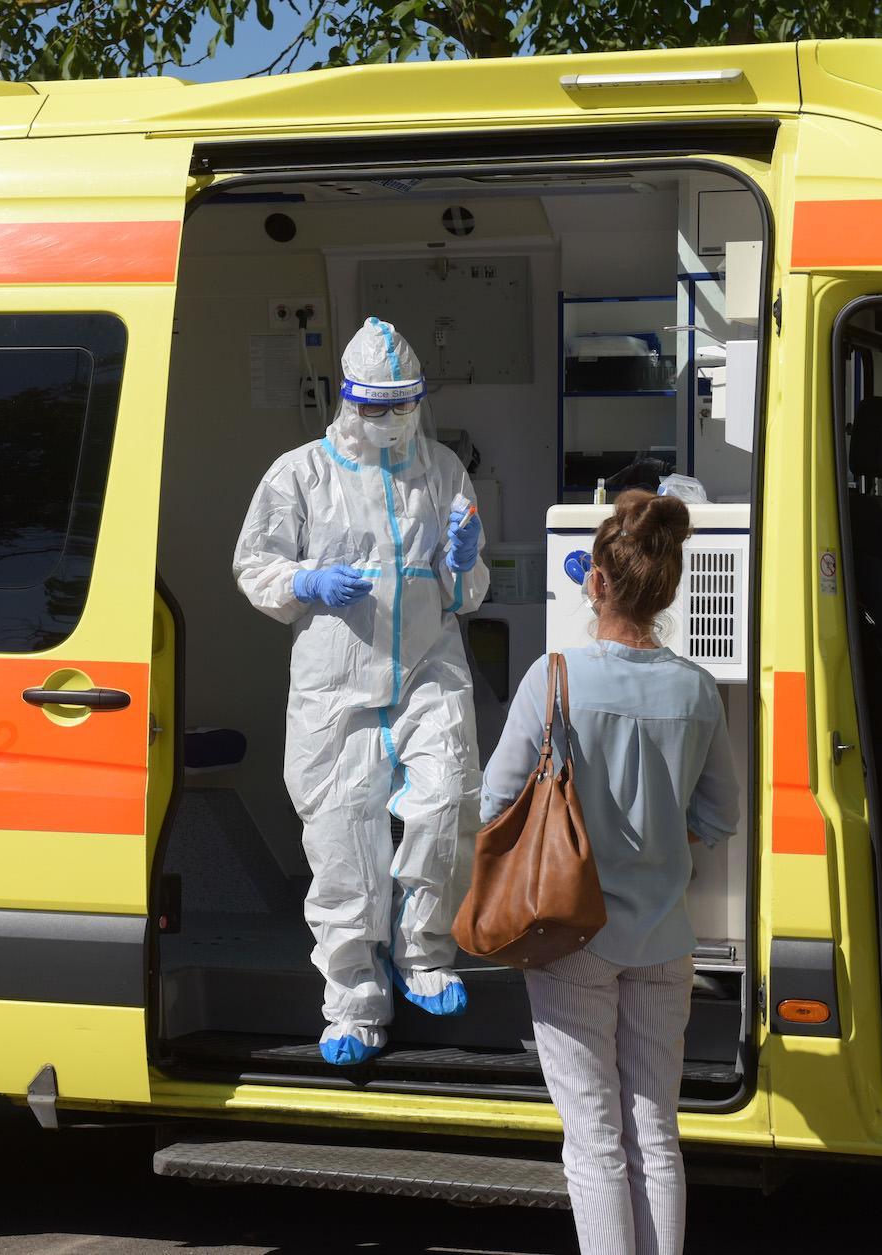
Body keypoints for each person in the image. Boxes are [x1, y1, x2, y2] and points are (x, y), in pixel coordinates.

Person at [479, 489, 738, 1255]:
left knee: (594, 1141)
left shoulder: (552, 678)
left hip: (570, 935)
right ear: (665, 590)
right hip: (664, 937)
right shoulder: (695, 690)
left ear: (594, 581)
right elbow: (722, 814)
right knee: (656, 1133)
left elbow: (496, 799)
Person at [233, 317, 489, 1067]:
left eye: (401, 403)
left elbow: (466, 590)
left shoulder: (442, 469)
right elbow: (256, 565)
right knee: (344, 843)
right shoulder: (300, 473)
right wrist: (304, 580)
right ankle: (353, 1000)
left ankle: (424, 950)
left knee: (446, 804)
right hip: (336, 685)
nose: (388, 417)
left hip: (428, 670)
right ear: (349, 401)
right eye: (374, 405)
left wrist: (465, 561)